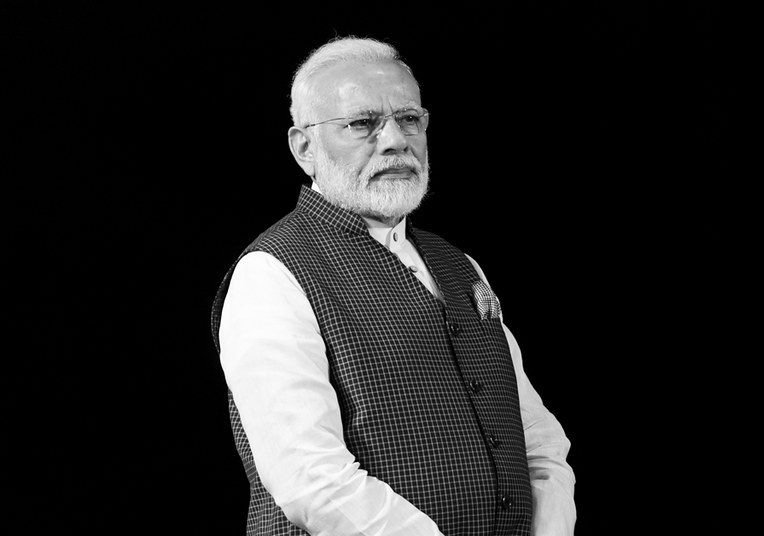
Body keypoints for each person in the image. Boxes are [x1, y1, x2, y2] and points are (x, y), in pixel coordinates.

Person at [211, 36, 576, 536]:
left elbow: (538, 439)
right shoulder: (271, 273)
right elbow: (311, 479)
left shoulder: (459, 264)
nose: (395, 140)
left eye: (409, 119)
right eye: (362, 123)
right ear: (304, 148)